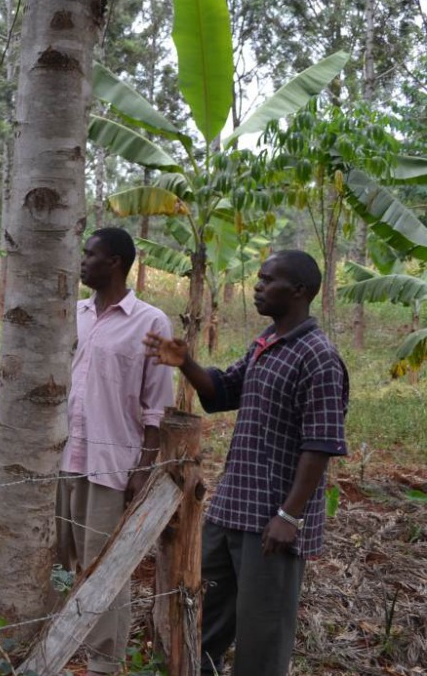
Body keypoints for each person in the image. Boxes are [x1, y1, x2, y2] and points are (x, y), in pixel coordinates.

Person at [144, 250, 349, 676]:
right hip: (232, 510)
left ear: (299, 291)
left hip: (272, 521)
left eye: (266, 280)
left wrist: (289, 516)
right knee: (205, 618)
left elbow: (321, 445)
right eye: (257, 278)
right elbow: (221, 392)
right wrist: (185, 363)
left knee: (262, 635)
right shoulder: (265, 343)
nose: (256, 286)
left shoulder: (319, 357)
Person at [57, 227, 175, 675]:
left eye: (91, 255)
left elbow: (156, 406)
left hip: (112, 465)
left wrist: (143, 469)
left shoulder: (150, 323)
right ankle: (59, 647)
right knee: (62, 558)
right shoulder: (75, 314)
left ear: (115, 263)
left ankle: (104, 664)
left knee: (104, 568)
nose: (82, 261)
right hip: (65, 458)